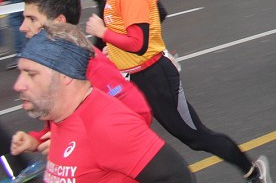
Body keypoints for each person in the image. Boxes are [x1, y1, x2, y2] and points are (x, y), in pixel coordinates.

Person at [82, 0, 270, 182]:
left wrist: (103, 32)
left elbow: (139, 44)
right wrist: (114, 46)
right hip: (129, 79)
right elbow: (156, 14)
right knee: (118, 136)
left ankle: (252, 170)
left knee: (195, 136)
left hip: (155, 77)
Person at [11, 23, 193, 183]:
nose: (18, 85)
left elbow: (178, 177)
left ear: (64, 76)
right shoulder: (60, 115)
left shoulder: (107, 124)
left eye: (31, 74)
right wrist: (35, 140)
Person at [20, 0, 151, 125]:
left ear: (59, 22)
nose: (23, 27)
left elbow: (138, 114)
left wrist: (76, 139)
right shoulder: (53, 63)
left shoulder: (90, 64)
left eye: (32, 19)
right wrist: (35, 140)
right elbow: (59, 121)